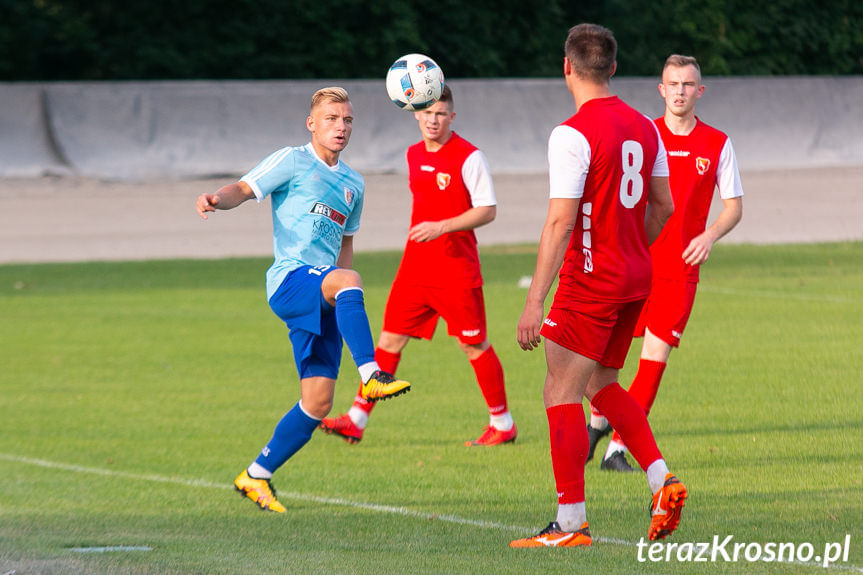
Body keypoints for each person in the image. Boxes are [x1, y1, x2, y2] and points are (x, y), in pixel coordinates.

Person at [195, 87, 411, 513]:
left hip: (325, 289)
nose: (341, 127)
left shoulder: (353, 183)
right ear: (312, 124)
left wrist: (343, 286)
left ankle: (255, 476)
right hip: (290, 280)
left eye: (347, 120)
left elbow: (345, 249)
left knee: (317, 402)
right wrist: (217, 200)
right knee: (347, 280)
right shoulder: (292, 160)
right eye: (332, 118)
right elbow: (244, 186)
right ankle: (371, 374)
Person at [510, 24, 685, 547]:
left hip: (590, 281)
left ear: (567, 67)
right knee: (600, 385)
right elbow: (664, 207)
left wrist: (534, 301)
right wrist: (630, 245)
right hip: (635, 276)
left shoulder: (571, 133)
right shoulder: (646, 128)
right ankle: (661, 479)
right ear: (612, 68)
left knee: (559, 390)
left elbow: (560, 223)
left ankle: (570, 524)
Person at [319, 85, 517, 446]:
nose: (433, 119)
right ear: (416, 114)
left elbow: (487, 210)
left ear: (451, 117)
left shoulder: (470, 157)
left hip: (456, 272)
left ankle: (502, 423)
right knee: (389, 341)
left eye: (440, 113)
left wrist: (443, 226)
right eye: (427, 112)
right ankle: (356, 419)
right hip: (414, 269)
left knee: (474, 346)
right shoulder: (412, 154)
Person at [588, 54, 745, 473]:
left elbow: (734, 207)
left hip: (679, 270)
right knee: (605, 356)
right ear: (661, 89)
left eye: (687, 84)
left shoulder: (717, 143)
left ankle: (617, 448)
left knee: (653, 360)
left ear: (700, 90)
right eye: (672, 84)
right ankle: (599, 420)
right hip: (632, 262)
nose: (679, 91)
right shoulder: (643, 135)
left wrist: (709, 235)